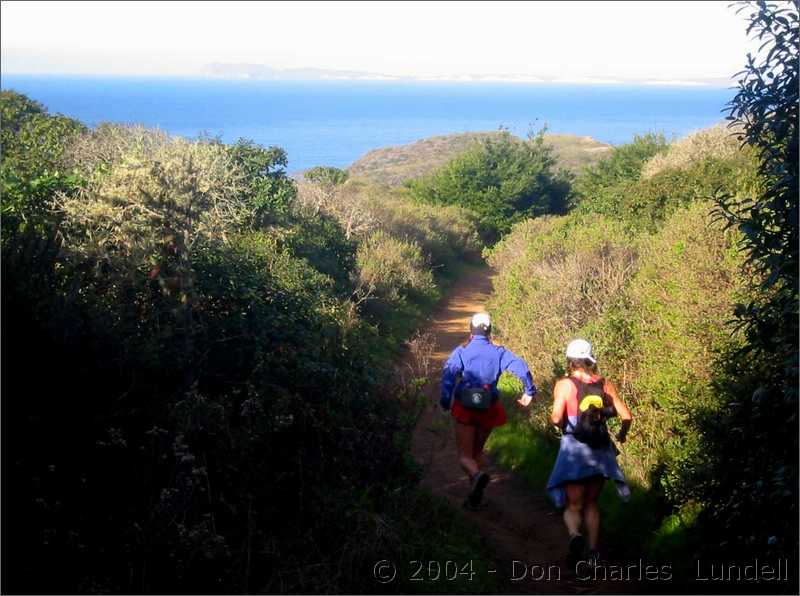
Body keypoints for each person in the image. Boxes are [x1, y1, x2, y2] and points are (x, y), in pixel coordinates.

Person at [547, 339, 632, 565]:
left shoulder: (564, 384)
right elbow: (627, 416)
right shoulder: (604, 384)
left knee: (574, 504)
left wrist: (563, 426)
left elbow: (556, 418)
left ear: (570, 360)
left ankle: (575, 536)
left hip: (574, 448)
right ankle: (594, 553)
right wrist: (622, 434)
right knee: (592, 503)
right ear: (589, 359)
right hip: (600, 450)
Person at [440, 312, 537, 509]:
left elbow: (449, 373)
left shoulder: (461, 351)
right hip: (488, 407)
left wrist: (445, 399)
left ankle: (477, 476)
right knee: (477, 453)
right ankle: (475, 496)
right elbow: (521, 366)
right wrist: (529, 390)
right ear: (489, 331)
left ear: (471, 329)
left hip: (465, 408)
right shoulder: (499, 352)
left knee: (465, 457)